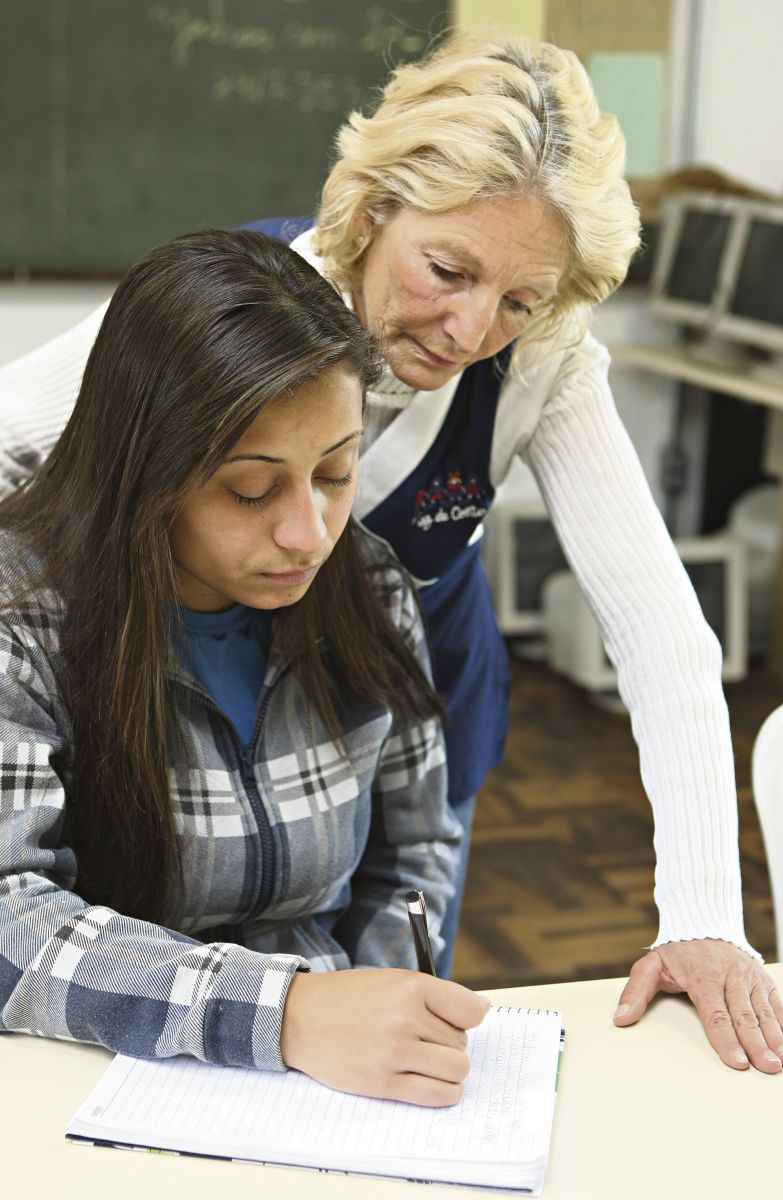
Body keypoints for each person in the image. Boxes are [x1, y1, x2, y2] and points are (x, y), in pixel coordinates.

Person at [1, 33, 783, 1072]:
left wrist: (700, 909)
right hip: (178, 695)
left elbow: (657, 630)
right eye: (447, 270)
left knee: (389, 965)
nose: (471, 330)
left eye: (518, 298)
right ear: (374, 212)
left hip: (396, 688)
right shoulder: (234, 316)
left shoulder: (540, 360)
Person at [0, 228, 491, 1106]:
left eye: (336, 473)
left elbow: (414, 851)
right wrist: (288, 1014)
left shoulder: (368, 586)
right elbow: (11, 920)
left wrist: (379, 1021)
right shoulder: (22, 615)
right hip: (94, 1078)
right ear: (143, 471)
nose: (309, 533)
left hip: (327, 1096)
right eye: (252, 490)